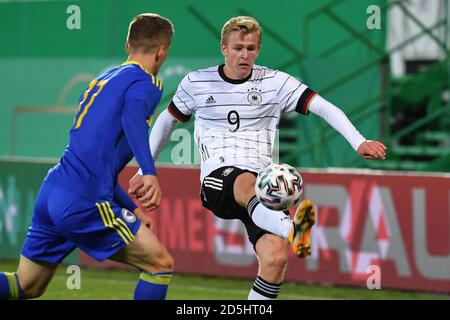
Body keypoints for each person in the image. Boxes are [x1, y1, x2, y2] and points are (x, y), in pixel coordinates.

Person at [129, 16, 387, 300]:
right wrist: (144, 169)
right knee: (246, 182)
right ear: (224, 49)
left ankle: (283, 243)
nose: (244, 55)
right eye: (238, 47)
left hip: (264, 189)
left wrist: (359, 140)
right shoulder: (197, 82)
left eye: (251, 48)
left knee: (275, 260)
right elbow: (166, 123)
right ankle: (293, 229)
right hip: (220, 181)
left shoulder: (274, 82)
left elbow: (323, 107)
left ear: (258, 50)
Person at [0, 13, 175, 300]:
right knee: (160, 265)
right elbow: (133, 118)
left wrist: (132, 206)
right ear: (162, 50)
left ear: (127, 45)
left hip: (54, 190)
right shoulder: (147, 82)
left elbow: (96, 165)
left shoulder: (104, 79)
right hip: (83, 200)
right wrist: (149, 171)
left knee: (25, 285)